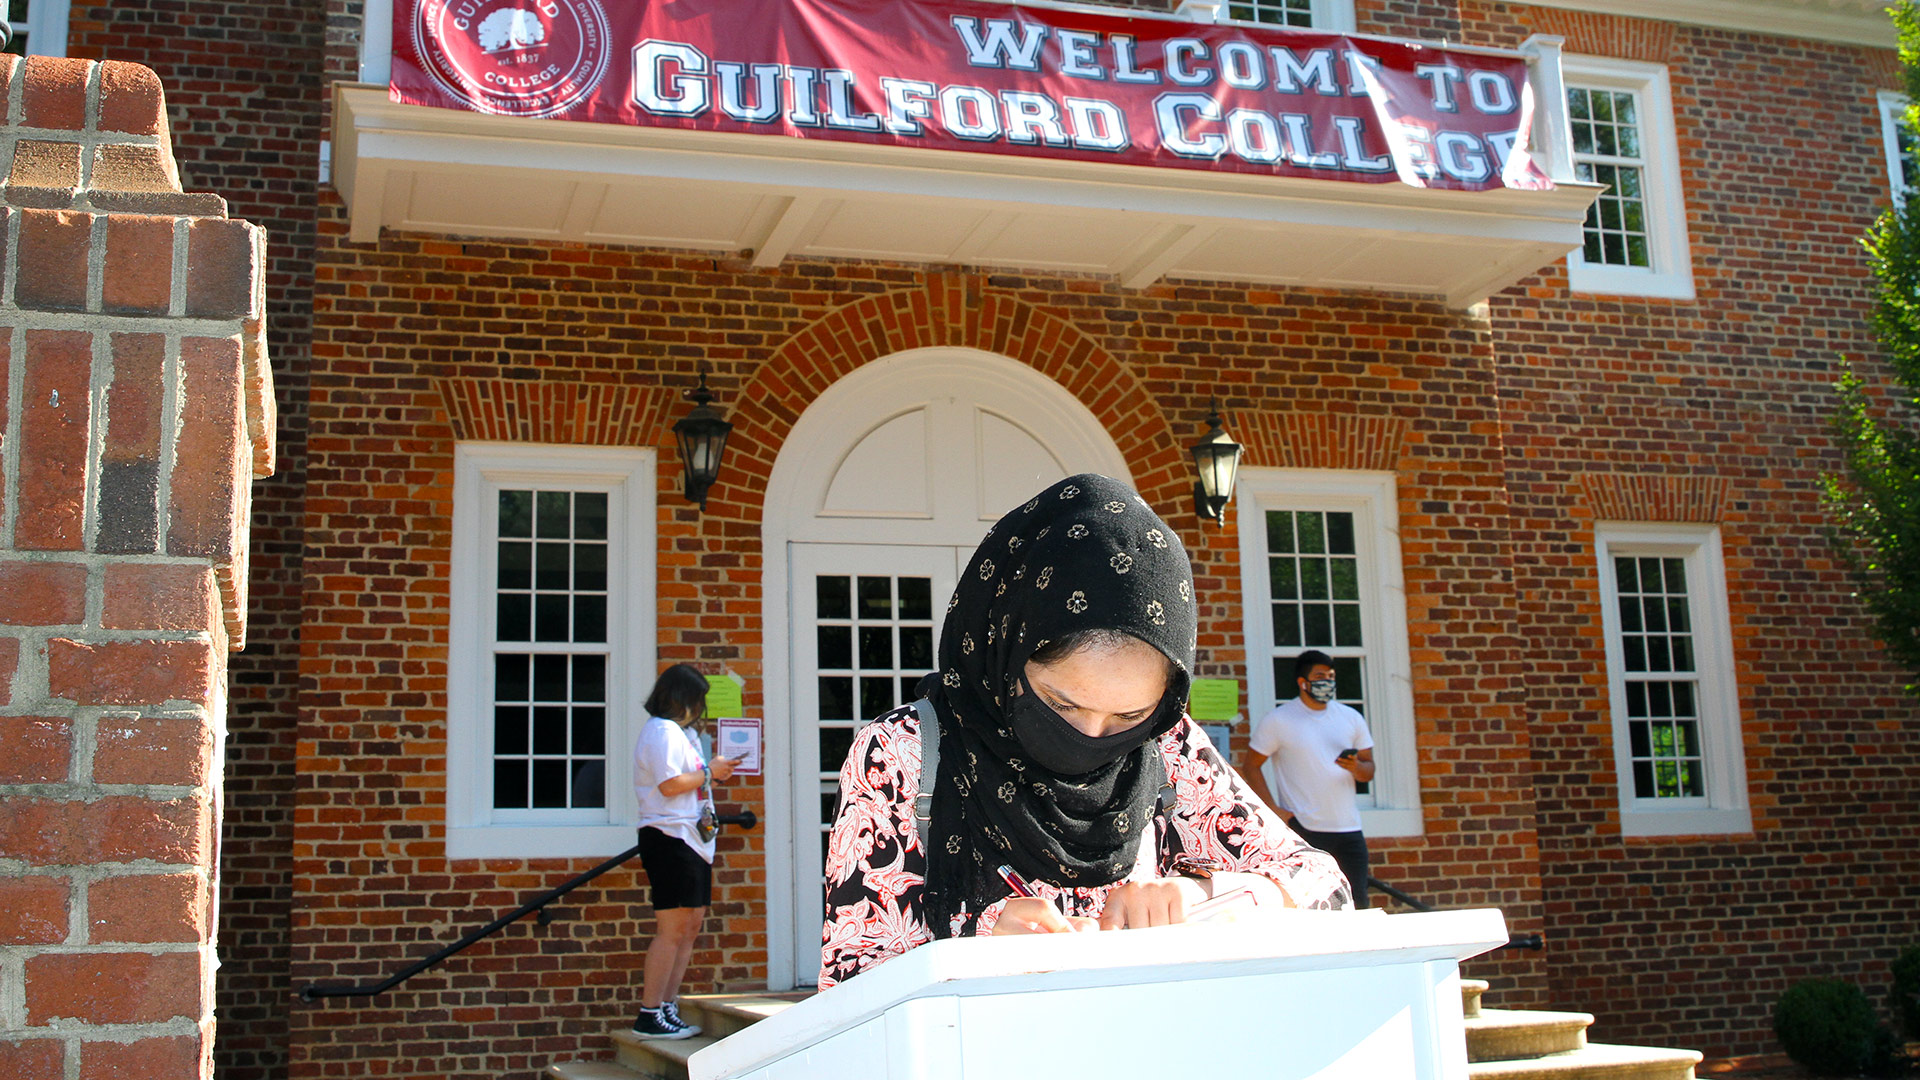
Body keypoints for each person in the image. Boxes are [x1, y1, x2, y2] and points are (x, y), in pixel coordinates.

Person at [820, 474, 1350, 988]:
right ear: (1005, 652)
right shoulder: (901, 755)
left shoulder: (1171, 746)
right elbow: (848, 976)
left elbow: (1326, 888)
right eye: (1062, 705)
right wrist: (973, 941)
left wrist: (1201, 895)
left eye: (1127, 718)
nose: (1092, 738)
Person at [631, 663, 736, 1039]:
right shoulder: (660, 732)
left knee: (689, 926)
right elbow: (671, 784)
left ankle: (667, 1005)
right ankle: (650, 1011)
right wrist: (711, 772)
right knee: (672, 929)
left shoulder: (681, 733)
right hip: (669, 837)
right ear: (680, 699)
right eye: (697, 700)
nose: (700, 709)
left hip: (692, 839)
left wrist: (710, 772)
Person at [1244, 650, 1376, 910]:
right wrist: (1274, 811)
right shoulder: (1279, 720)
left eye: (1330, 676)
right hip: (1304, 828)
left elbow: (1369, 769)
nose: (1326, 682)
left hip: (1349, 829)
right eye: (1319, 676)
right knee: (1309, 904)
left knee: (1357, 902)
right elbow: (1251, 766)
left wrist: (1356, 767)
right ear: (1302, 682)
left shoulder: (1351, 718)